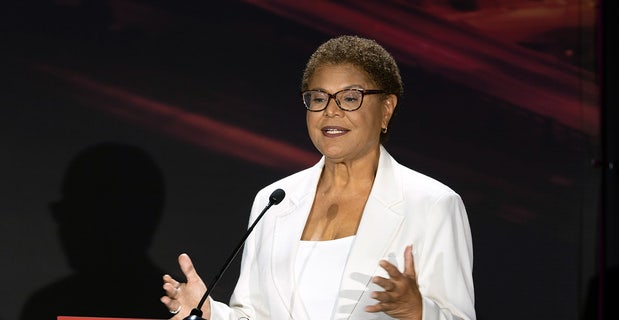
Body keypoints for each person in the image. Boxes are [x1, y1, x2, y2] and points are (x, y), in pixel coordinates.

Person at [161, 35, 475, 320]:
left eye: (350, 98)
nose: (330, 111)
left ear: (387, 109)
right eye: (318, 97)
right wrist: (210, 313)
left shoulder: (432, 204)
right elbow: (256, 314)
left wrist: (418, 312)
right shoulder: (274, 200)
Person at [20, 142, 172, 320]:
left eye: (75, 213)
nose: (64, 228)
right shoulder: (185, 306)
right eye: (65, 213)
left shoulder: (47, 306)